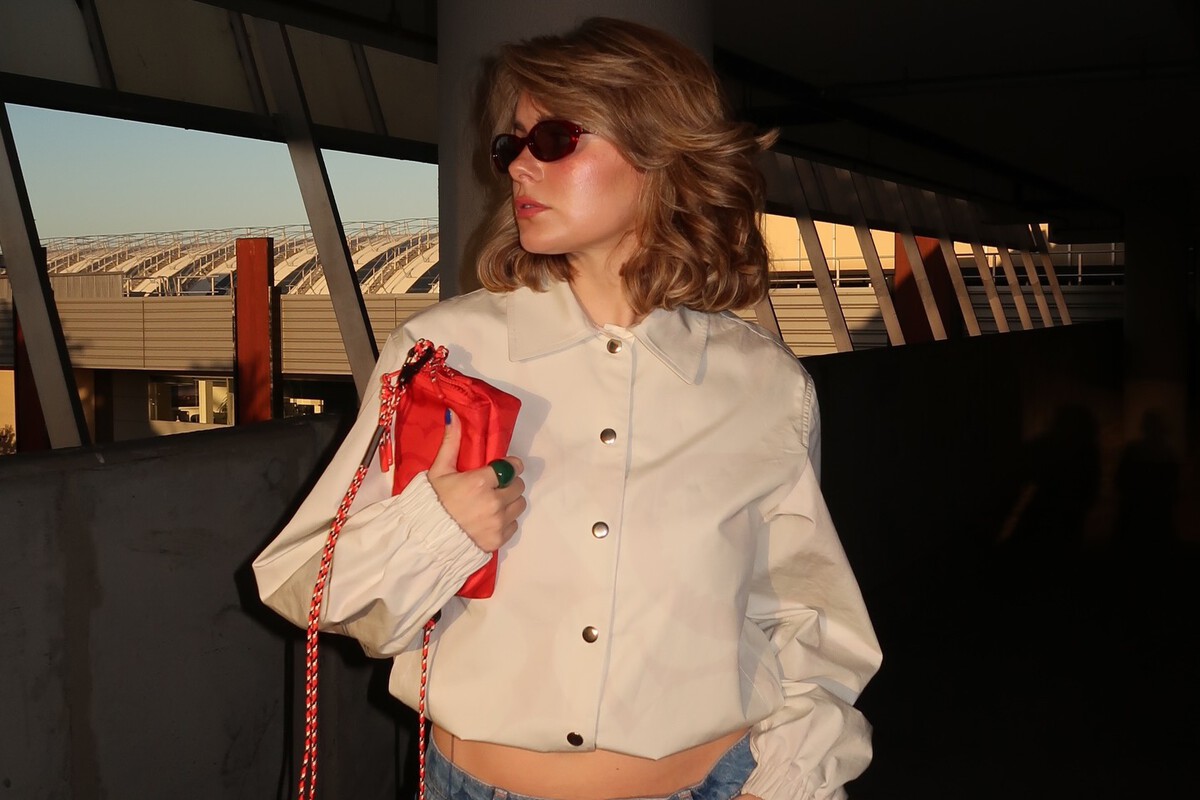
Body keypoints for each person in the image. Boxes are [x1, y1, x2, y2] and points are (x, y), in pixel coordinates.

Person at [253, 17, 881, 800]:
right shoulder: (443, 352)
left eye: (553, 139)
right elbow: (306, 582)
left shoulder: (764, 385)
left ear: (660, 151)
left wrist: (791, 779)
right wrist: (436, 527)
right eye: (509, 145)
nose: (519, 165)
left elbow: (805, 615)